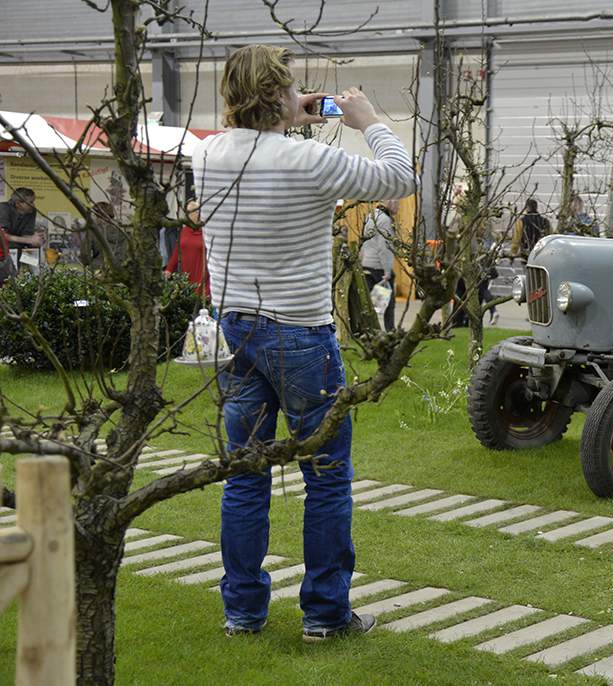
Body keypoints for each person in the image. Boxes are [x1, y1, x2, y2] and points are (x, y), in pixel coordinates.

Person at [192, 44, 415, 641]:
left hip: (234, 326)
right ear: (278, 95)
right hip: (300, 333)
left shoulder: (208, 155)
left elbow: (252, 142)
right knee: (326, 473)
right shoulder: (309, 161)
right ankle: (324, 614)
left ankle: (242, 612)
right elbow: (401, 176)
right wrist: (367, 118)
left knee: (245, 473)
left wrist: (289, 115)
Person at [360, 199, 398, 331]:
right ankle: (390, 330)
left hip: (366, 263)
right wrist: (387, 271)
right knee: (389, 302)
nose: (397, 206)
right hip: (379, 266)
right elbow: (384, 247)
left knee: (369, 303)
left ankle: (369, 330)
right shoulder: (385, 220)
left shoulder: (370, 215)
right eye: (396, 202)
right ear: (389, 202)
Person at [164, 199, 210, 299]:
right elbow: (177, 251)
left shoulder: (206, 233)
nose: (191, 214)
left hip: (202, 277)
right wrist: (169, 269)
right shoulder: (184, 231)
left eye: (194, 211)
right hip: (186, 276)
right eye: (188, 212)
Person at [0, 188, 44, 266]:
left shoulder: (31, 211)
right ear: (18, 203)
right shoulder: (3, 209)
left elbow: (27, 234)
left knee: (32, 248)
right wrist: (29, 240)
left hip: (17, 244)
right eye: (31, 202)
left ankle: (29, 275)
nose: (33, 205)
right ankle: (11, 274)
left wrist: (35, 241)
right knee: (14, 246)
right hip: (4, 245)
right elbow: (3, 235)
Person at [79, 202, 126, 269]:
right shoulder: (123, 229)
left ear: (96, 214)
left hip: (100, 269)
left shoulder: (94, 229)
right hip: (122, 268)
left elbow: (85, 254)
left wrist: (87, 263)